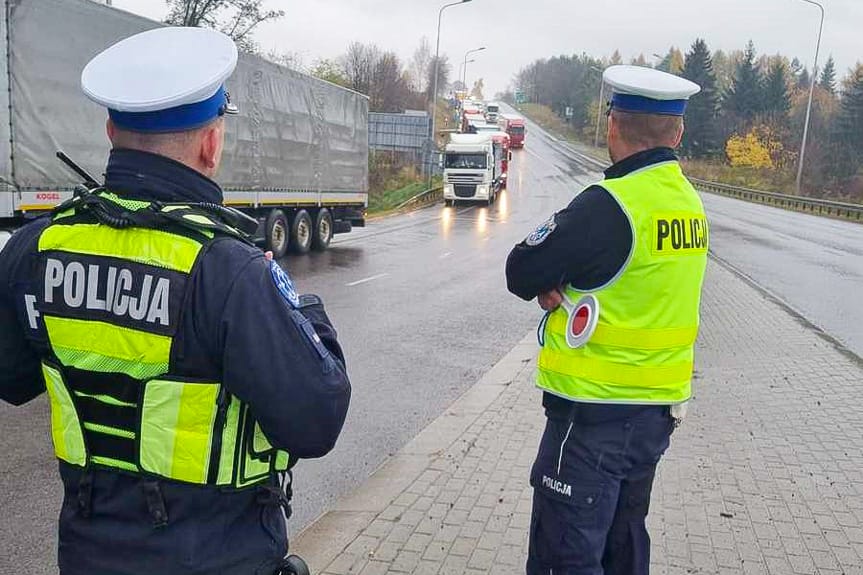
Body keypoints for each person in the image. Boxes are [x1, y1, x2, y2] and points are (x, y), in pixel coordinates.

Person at [0, 27, 351, 575]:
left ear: (111, 129)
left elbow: (12, 378)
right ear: (212, 144)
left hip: (89, 556)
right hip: (218, 557)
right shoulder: (227, 270)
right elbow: (317, 419)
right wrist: (306, 312)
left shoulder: (33, 250)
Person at [506, 65, 707, 575]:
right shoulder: (688, 204)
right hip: (653, 418)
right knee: (624, 547)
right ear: (677, 132)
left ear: (612, 125)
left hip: (591, 421)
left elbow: (521, 268)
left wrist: (558, 283)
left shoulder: (610, 205)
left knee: (564, 558)